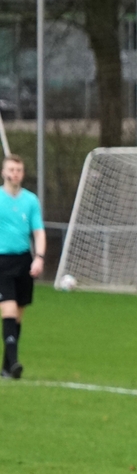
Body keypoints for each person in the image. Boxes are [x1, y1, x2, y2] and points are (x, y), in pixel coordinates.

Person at [0, 154, 45, 379]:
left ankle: (7, 367)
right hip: (2, 262)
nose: (14, 174)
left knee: (17, 316)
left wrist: (39, 257)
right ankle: (15, 362)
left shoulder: (30, 200)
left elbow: (38, 231)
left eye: (18, 170)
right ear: (3, 172)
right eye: (11, 169)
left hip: (23, 261)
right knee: (8, 311)